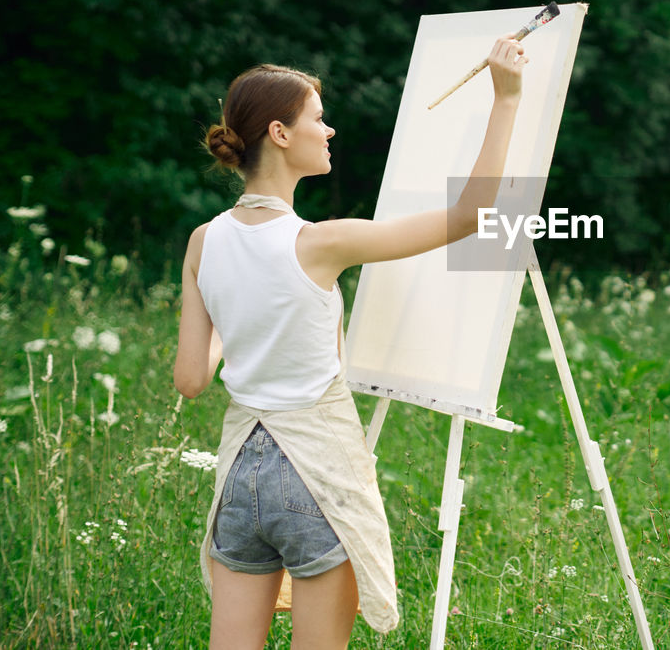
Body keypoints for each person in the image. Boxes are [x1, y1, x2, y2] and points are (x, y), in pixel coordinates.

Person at [174, 35, 525, 649]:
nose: (329, 130)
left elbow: (190, 380)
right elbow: (471, 215)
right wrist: (506, 98)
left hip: (238, 473)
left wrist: (247, 318)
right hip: (315, 471)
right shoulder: (321, 242)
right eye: (318, 118)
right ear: (281, 134)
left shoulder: (204, 241)